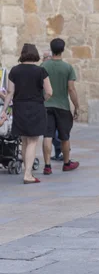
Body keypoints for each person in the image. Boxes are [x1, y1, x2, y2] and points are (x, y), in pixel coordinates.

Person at [0, 44, 53, 184]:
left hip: (19, 107)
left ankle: (26, 170)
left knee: (24, 140)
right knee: (33, 141)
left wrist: (4, 110)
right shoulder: (41, 71)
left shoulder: (14, 71)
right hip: (36, 107)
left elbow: (10, 93)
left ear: (22, 54)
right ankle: (28, 174)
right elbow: (49, 92)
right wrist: (42, 100)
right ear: (35, 54)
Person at [42, 38, 80, 175]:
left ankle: (47, 166)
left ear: (51, 49)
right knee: (65, 136)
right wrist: (76, 106)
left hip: (46, 105)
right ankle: (66, 163)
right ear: (63, 50)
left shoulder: (43, 66)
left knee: (47, 135)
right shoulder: (68, 68)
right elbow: (71, 89)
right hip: (63, 106)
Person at [42, 50, 62, 161]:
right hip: (57, 104)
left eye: (45, 57)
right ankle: (60, 152)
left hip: (50, 104)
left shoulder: (42, 69)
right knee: (55, 131)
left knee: (51, 132)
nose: (44, 60)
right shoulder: (60, 67)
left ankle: (49, 162)